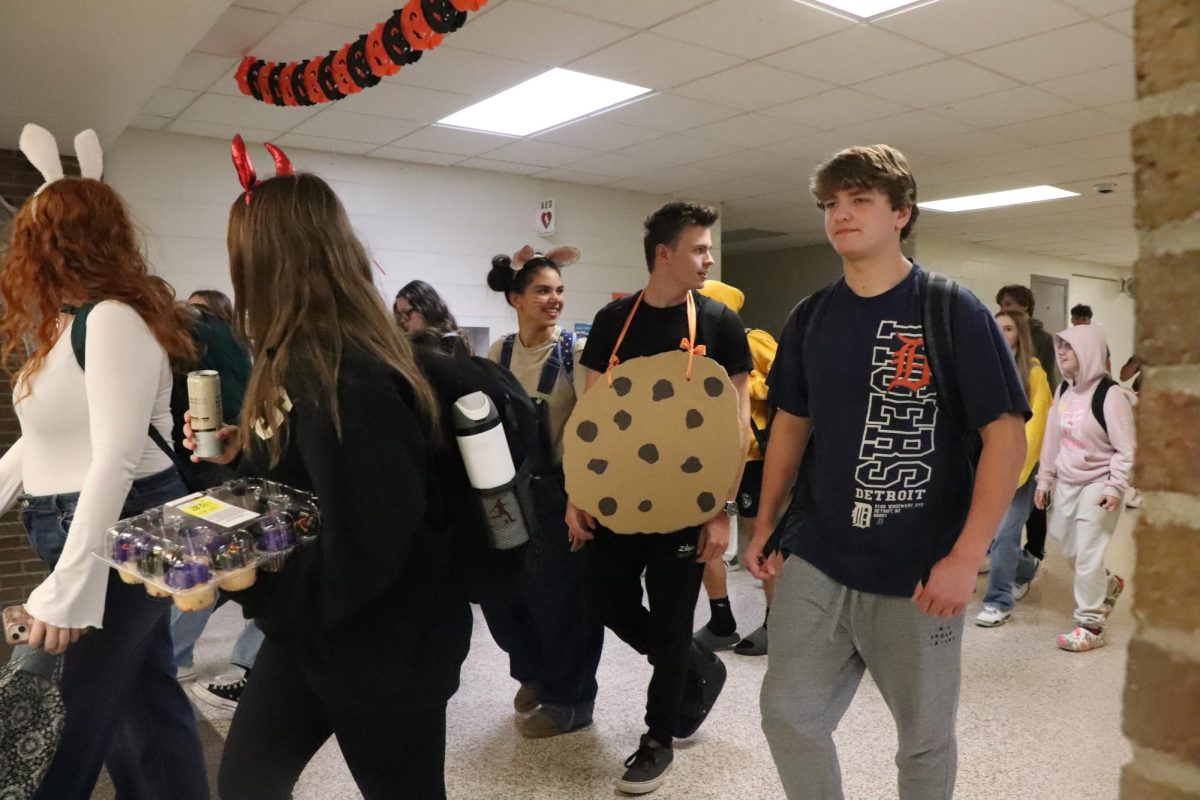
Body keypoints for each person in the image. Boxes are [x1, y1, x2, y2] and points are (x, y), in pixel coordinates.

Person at [747, 144, 1028, 800]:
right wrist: (764, 521)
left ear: (901, 213)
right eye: (830, 205)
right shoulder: (811, 315)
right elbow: (791, 421)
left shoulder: (952, 310)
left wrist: (967, 556)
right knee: (788, 713)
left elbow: (1006, 439)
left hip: (920, 565)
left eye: (859, 201)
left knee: (923, 737)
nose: (840, 216)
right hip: (818, 552)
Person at [197, 159, 472, 799]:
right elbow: (307, 479)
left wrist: (253, 584)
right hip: (315, 634)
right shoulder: (291, 356)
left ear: (270, 261)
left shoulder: (349, 373)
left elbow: (371, 542)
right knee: (246, 786)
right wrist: (244, 451)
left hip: (386, 649)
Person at [0, 169, 208, 799]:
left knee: (60, 719)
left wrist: (70, 589)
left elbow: (116, 458)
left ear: (58, 242)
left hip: (125, 527)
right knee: (143, 697)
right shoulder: (68, 326)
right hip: (90, 523)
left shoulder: (113, 320)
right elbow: (44, 438)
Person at [570, 201, 752, 795]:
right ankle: (698, 666)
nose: (708, 259)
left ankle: (657, 739)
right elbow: (591, 413)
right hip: (618, 500)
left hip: (687, 505)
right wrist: (581, 493)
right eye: (698, 248)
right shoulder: (613, 319)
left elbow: (738, 425)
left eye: (710, 249)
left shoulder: (721, 324)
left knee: (673, 621)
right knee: (607, 601)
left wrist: (722, 512)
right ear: (663, 254)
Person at [476, 245, 605, 738]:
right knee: (503, 593)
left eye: (559, 291)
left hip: (558, 495)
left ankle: (571, 701)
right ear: (516, 298)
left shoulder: (575, 355)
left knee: (561, 603)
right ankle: (531, 671)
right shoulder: (499, 353)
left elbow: (595, 431)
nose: (554, 299)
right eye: (543, 291)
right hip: (504, 494)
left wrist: (583, 498)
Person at [167, 289, 264, 710]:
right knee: (233, 565)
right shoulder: (241, 345)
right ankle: (243, 664)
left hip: (212, 469)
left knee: (209, 568)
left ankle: (179, 656)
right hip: (240, 466)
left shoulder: (196, 332)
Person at [691, 278, 781, 656]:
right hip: (706, 457)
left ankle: (777, 624)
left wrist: (746, 383)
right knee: (703, 536)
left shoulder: (753, 338)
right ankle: (721, 619)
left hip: (753, 458)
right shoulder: (691, 346)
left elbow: (786, 382)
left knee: (760, 534)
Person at [1035, 324, 1135, 652]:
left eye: (1069, 346)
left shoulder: (1111, 394)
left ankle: (1091, 623)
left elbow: (1126, 448)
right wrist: (1044, 479)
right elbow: (1053, 441)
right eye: (1060, 346)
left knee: (1088, 552)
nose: (1061, 352)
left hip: (1100, 482)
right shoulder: (1064, 391)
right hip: (1067, 481)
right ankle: (1109, 585)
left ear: (1089, 351)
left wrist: (1116, 486)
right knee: (1069, 549)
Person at [975, 310, 1053, 626]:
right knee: (992, 536)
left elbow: (1036, 433)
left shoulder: (1035, 376)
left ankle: (998, 601)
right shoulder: (986, 371)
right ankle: (1026, 567)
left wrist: (1015, 473)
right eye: (996, 328)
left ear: (1020, 336)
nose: (1000, 334)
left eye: (1008, 329)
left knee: (1006, 534)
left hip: (1023, 471)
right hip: (989, 467)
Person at [996, 283, 1055, 564]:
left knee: (1031, 503)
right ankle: (1002, 556)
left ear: (1025, 307)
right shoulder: (994, 339)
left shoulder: (1041, 340)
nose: (1006, 310)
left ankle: (1033, 552)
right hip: (1002, 436)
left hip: (1031, 425)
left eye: (1011, 305)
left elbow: (1044, 384)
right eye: (1002, 305)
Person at [394, 279, 471, 355]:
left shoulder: (450, 343)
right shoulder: (411, 345)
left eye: (407, 313)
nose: (402, 320)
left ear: (426, 308)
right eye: (399, 315)